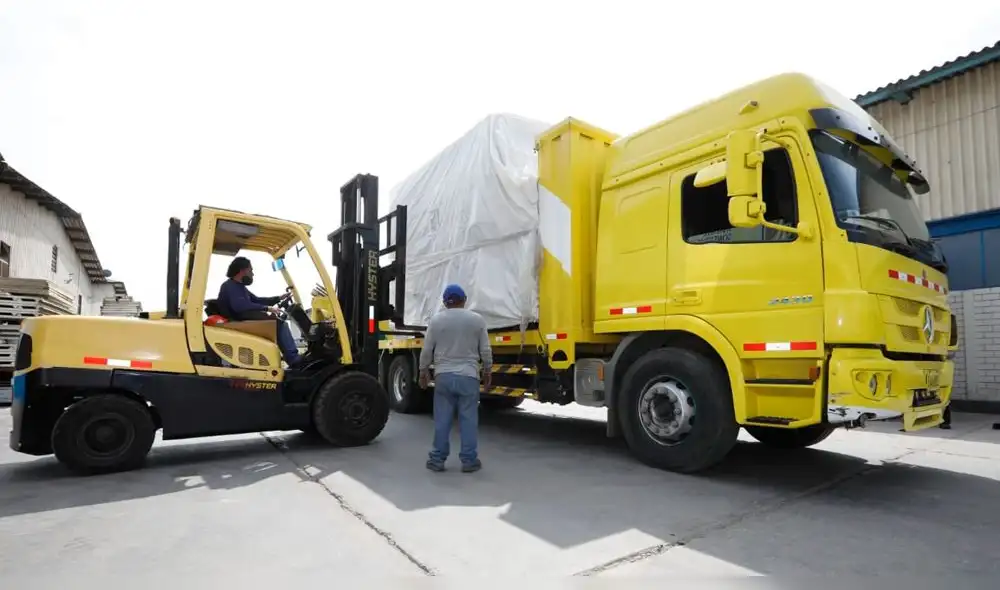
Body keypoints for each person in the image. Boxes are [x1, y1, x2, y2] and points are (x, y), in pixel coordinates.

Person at [419, 284, 492, 473]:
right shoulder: (477, 320)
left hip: (444, 376)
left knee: (442, 420)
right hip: (469, 376)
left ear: (445, 302)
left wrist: (423, 371)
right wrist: (488, 371)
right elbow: (485, 349)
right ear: (464, 299)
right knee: (468, 420)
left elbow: (427, 349)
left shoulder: (436, 320)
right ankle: (469, 461)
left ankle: (437, 460)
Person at [217, 256, 302, 366]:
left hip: (243, 318)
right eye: (251, 270)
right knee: (280, 324)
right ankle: (293, 358)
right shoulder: (229, 286)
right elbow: (240, 306)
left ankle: (290, 357)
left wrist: (278, 298)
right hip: (236, 321)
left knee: (278, 321)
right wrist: (267, 308)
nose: (253, 273)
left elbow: (257, 300)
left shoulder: (239, 287)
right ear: (242, 270)